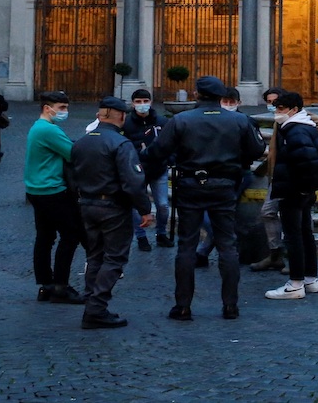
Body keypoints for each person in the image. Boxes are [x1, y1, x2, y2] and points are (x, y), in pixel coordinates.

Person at [142, 76, 265, 321]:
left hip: (190, 184)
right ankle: (230, 305)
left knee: (187, 245)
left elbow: (157, 152)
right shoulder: (239, 120)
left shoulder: (181, 120)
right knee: (227, 245)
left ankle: (183, 306)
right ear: (221, 96)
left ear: (197, 94)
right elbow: (257, 150)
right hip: (225, 185)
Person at [72, 97, 153, 329]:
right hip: (112, 207)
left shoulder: (82, 142)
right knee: (114, 257)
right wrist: (144, 210)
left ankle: (90, 300)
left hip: (87, 204)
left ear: (100, 116)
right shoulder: (120, 143)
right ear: (121, 117)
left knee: (95, 255)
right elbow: (133, 181)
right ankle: (96, 308)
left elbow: (71, 175)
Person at [248, 87, 318, 272]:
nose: (273, 108)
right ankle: (277, 255)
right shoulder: (285, 122)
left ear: (291, 108)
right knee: (270, 213)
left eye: (276, 104)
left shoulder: (298, 125)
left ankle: (297, 269)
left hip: (292, 182)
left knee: (299, 227)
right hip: (279, 176)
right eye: (270, 103)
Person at [264, 92, 318, 300]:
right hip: (302, 190)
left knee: (294, 236)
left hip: (294, 191)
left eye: (280, 109)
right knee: (305, 234)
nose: (277, 112)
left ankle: (295, 284)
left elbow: (309, 161)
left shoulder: (295, 131)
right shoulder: (307, 127)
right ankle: (310, 279)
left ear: (293, 110)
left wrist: (303, 187)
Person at [24, 91, 85, 304]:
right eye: (61, 108)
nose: (64, 112)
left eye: (66, 108)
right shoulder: (49, 130)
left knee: (45, 237)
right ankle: (61, 286)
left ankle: (46, 285)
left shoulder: (37, 127)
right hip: (52, 190)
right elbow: (74, 153)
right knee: (71, 235)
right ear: (47, 108)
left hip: (36, 189)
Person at [195, 86, 266, 267]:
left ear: (238, 103)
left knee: (219, 215)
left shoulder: (246, 121)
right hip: (212, 173)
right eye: (225, 102)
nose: (228, 105)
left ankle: (211, 251)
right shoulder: (211, 120)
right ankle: (213, 250)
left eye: (231, 102)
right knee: (212, 215)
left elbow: (256, 148)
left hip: (237, 172)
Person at [123, 89, 173, 251]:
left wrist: (170, 159)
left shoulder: (162, 121)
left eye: (145, 101)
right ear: (133, 103)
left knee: (163, 205)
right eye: (138, 102)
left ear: (150, 102)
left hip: (159, 168)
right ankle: (141, 237)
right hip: (137, 171)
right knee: (136, 206)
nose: (142, 105)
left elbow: (171, 143)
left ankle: (161, 234)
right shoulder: (127, 123)